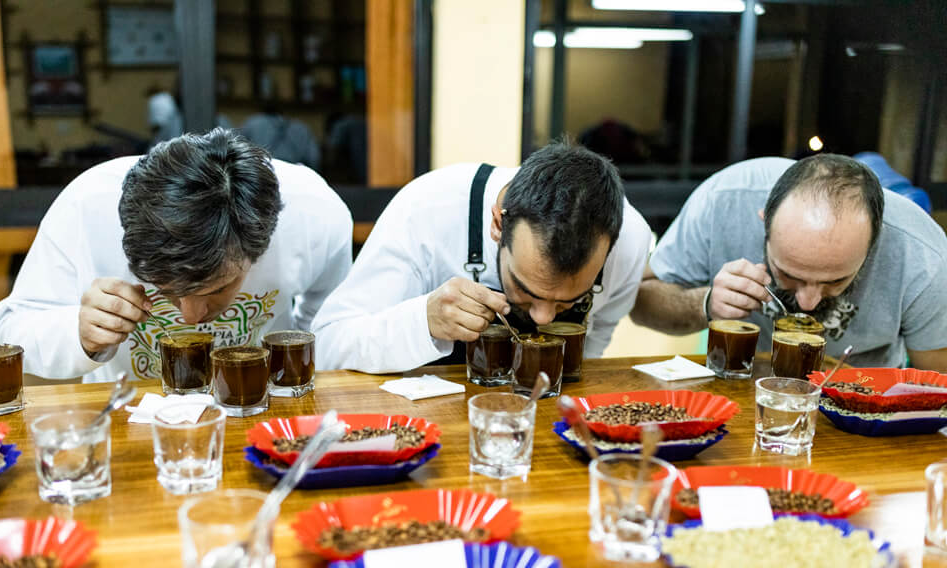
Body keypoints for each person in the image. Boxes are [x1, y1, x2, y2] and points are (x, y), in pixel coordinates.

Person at [0, 128, 352, 383]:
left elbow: (330, 324)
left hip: (257, 403)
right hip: (127, 414)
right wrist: (79, 331)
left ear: (265, 240)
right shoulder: (84, 208)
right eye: (166, 290)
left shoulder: (315, 216)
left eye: (216, 289)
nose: (191, 316)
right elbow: (13, 330)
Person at [311, 142, 653, 373]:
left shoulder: (632, 239)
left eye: (567, 301)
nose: (544, 317)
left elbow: (597, 336)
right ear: (498, 223)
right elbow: (327, 346)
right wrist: (423, 322)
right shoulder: (428, 209)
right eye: (527, 290)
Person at [631, 154, 947, 371]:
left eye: (835, 281)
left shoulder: (922, 255)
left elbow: (937, 383)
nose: (807, 303)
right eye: (789, 274)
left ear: (874, 243)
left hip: (861, 404)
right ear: (763, 223)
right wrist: (705, 303)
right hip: (739, 383)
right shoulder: (723, 201)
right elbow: (641, 301)